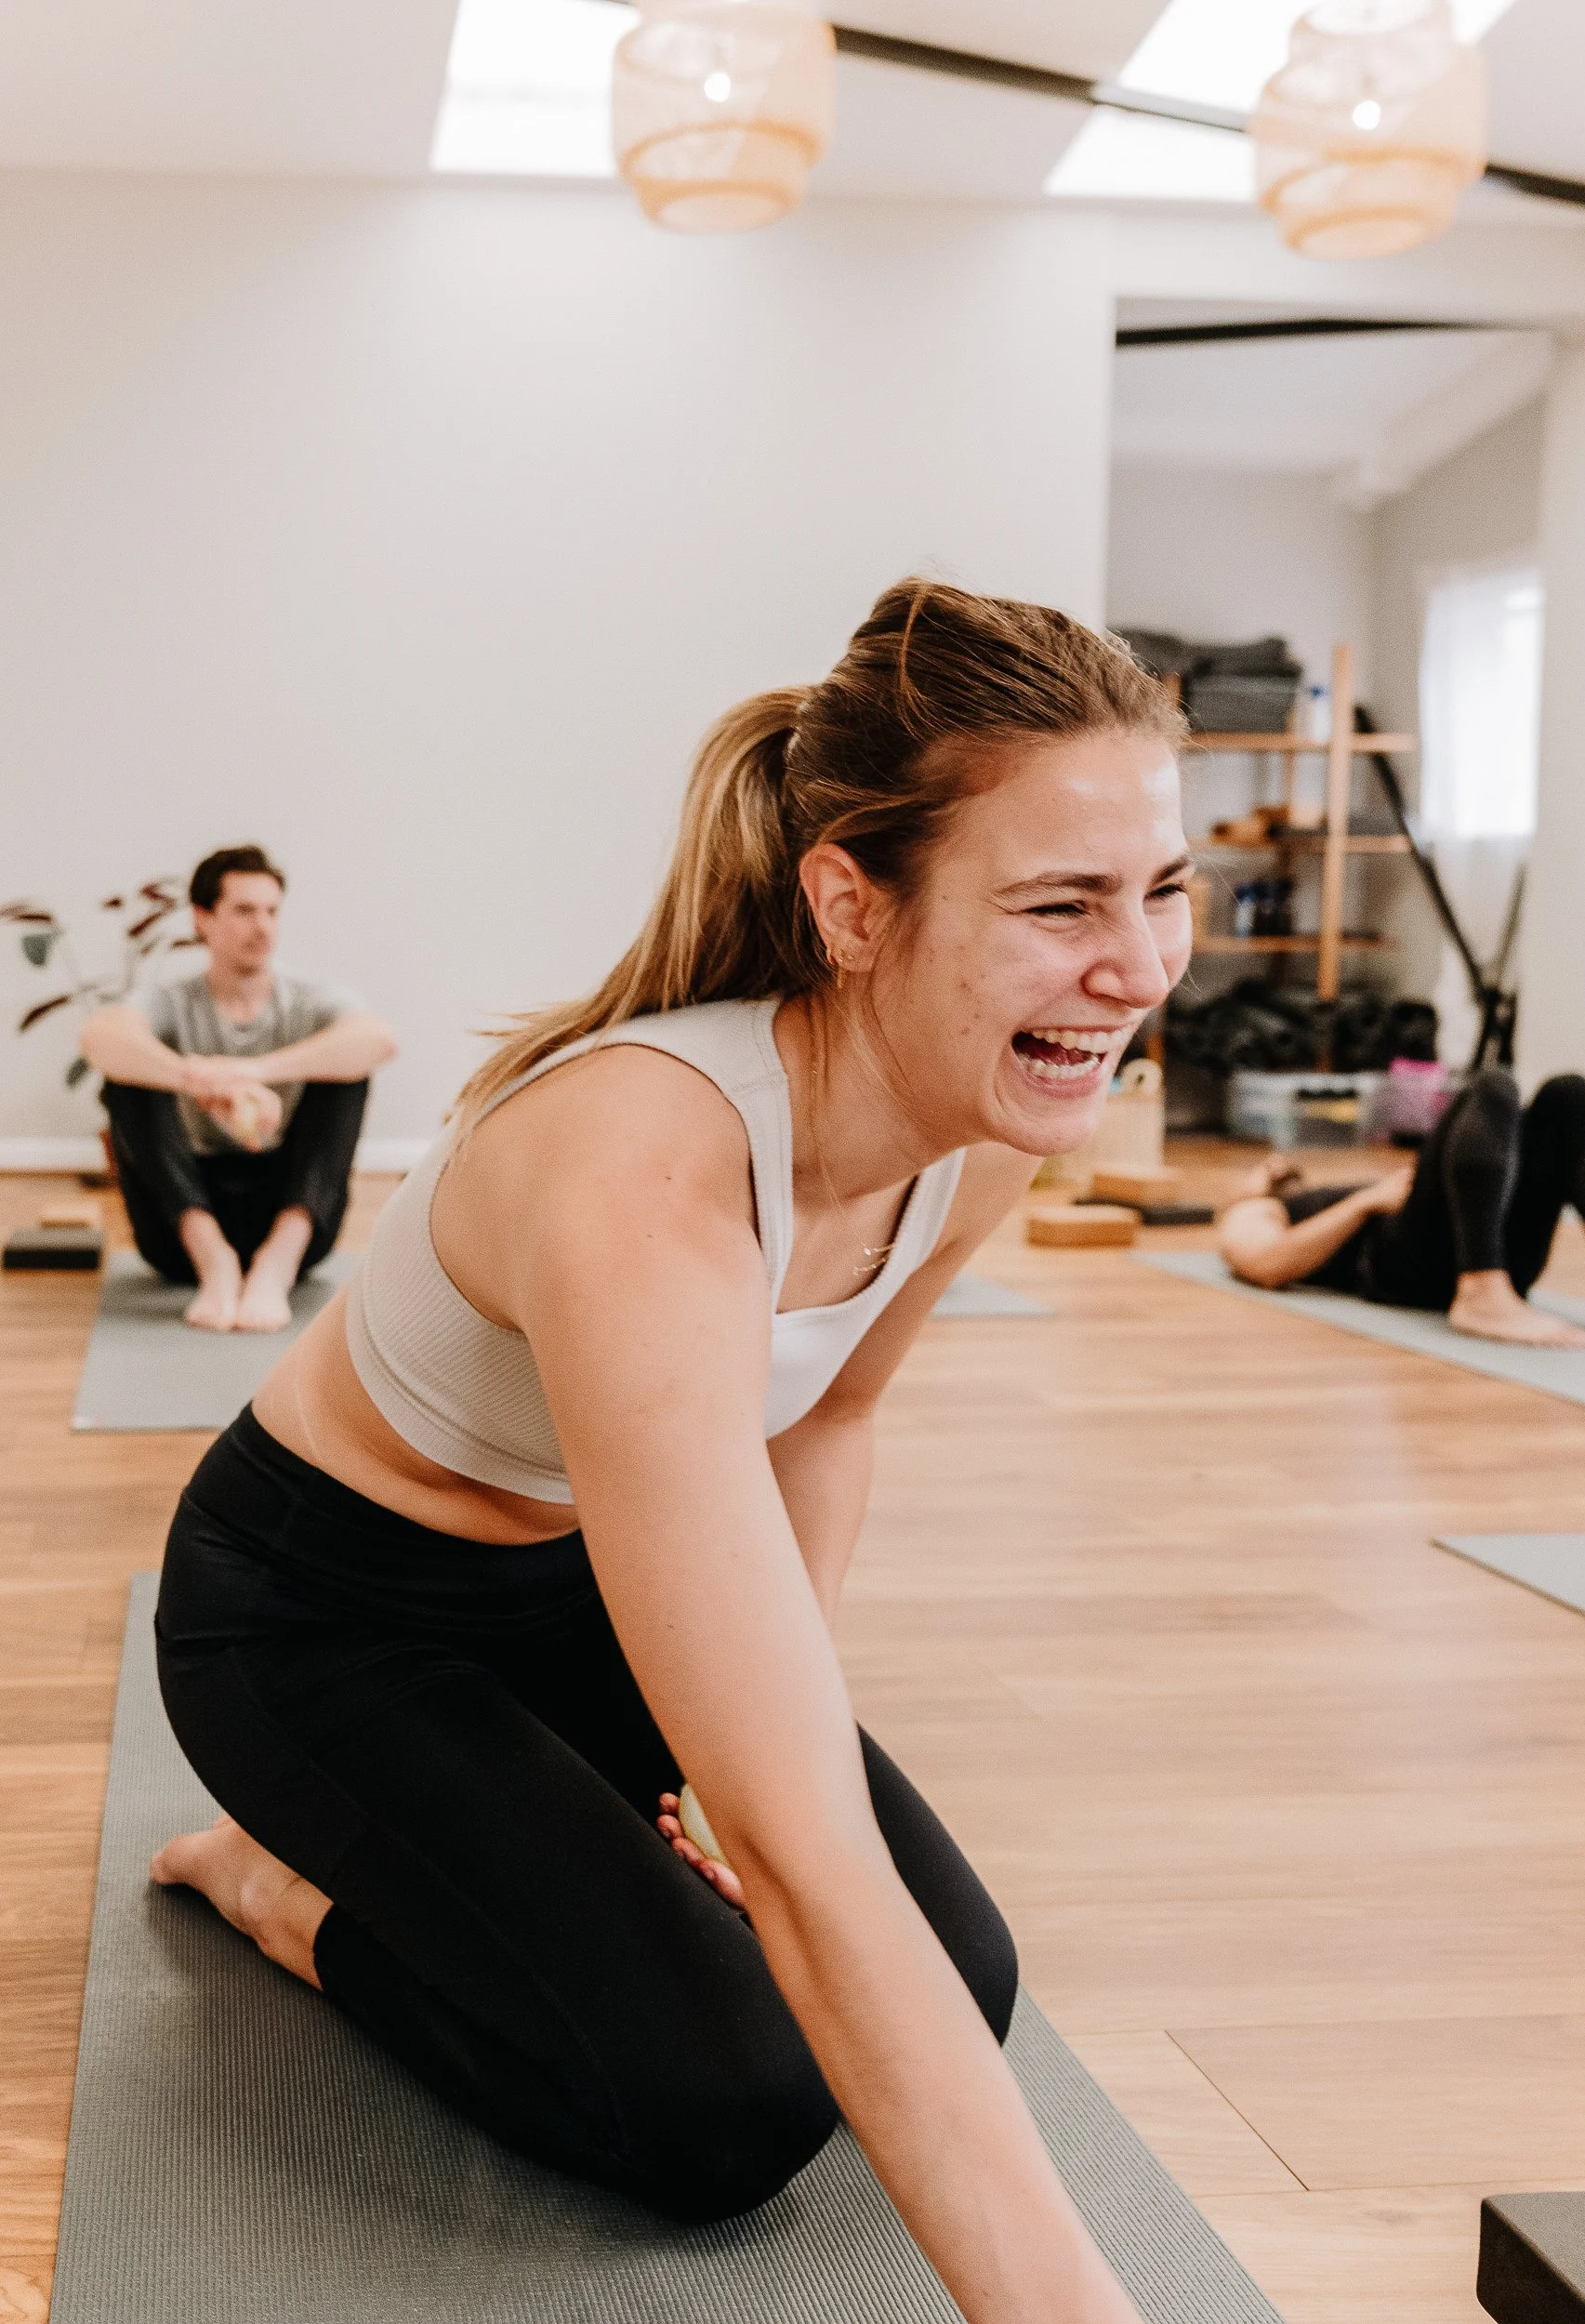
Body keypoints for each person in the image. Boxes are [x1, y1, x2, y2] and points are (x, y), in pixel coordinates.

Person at [145, 581, 1195, 2324]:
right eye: (1060, 904)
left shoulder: (984, 1120)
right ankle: (275, 1884)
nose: (1140, 969)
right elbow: (803, 1866)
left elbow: (833, 1405)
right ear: (855, 906)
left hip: (578, 1585)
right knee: (728, 2105)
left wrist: (747, 1739)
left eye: (1160, 891)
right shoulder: (648, 1166)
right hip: (321, 1621)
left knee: (963, 1979)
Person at [80, 846, 398, 1334]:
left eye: (272, 911)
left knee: (347, 1073)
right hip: (181, 1231)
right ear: (202, 919)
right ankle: (218, 1266)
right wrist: (199, 1077)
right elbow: (99, 1038)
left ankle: (274, 1266)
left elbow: (379, 1039)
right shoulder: (172, 998)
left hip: (291, 1220)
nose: (263, 927)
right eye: (244, 910)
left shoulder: (307, 997)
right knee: (126, 1082)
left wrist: (255, 1071)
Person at [1219, 1067, 1585, 1347]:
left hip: (1495, 1248)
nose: (1273, 1164)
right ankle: (1481, 1289)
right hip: (1409, 1270)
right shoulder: (1257, 1209)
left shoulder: (1311, 1191)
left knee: (1571, 1095)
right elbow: (1265, 1264)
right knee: (1490, 1085)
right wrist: (1365, 1202)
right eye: (1262, 1168)